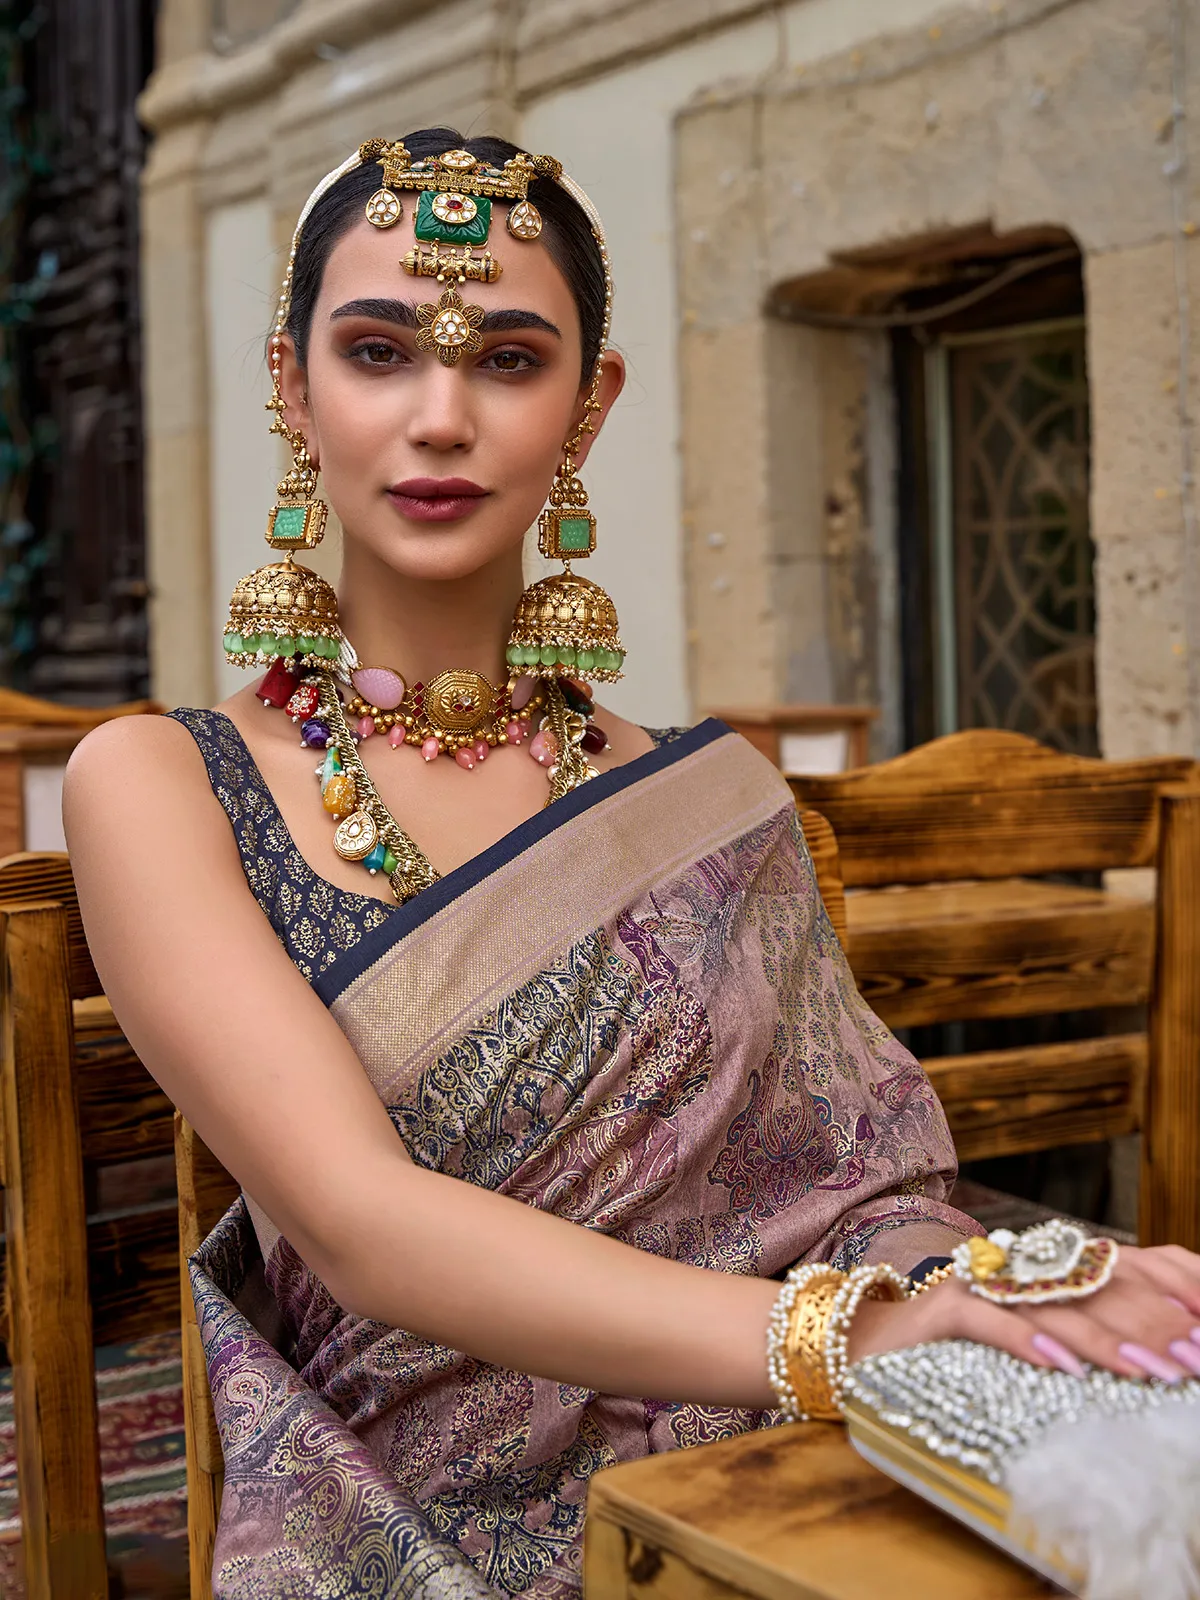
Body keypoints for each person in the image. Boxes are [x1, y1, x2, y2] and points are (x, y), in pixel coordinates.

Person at [65, 129, 1200, 1600]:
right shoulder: (162, 785)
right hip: (430, 1526)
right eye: (378, 350)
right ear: (292, 387)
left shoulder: (713, 794)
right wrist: (842, 1337)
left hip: (787, 1470)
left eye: (511, 361)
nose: (441, 416)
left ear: (590, 406)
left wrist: (974, 1292)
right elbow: (359, 1226)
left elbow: (865, 1184)